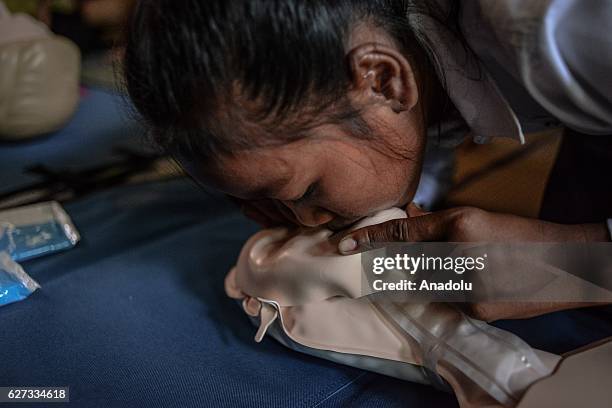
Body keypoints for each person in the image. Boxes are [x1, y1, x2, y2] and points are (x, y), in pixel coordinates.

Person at [123, 0, 612, 320]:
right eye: (253, 202)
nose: (307, 223)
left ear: (381, 80)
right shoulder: (386, 43)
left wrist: (578, 256)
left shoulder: (568, 32)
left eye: (303, 193)